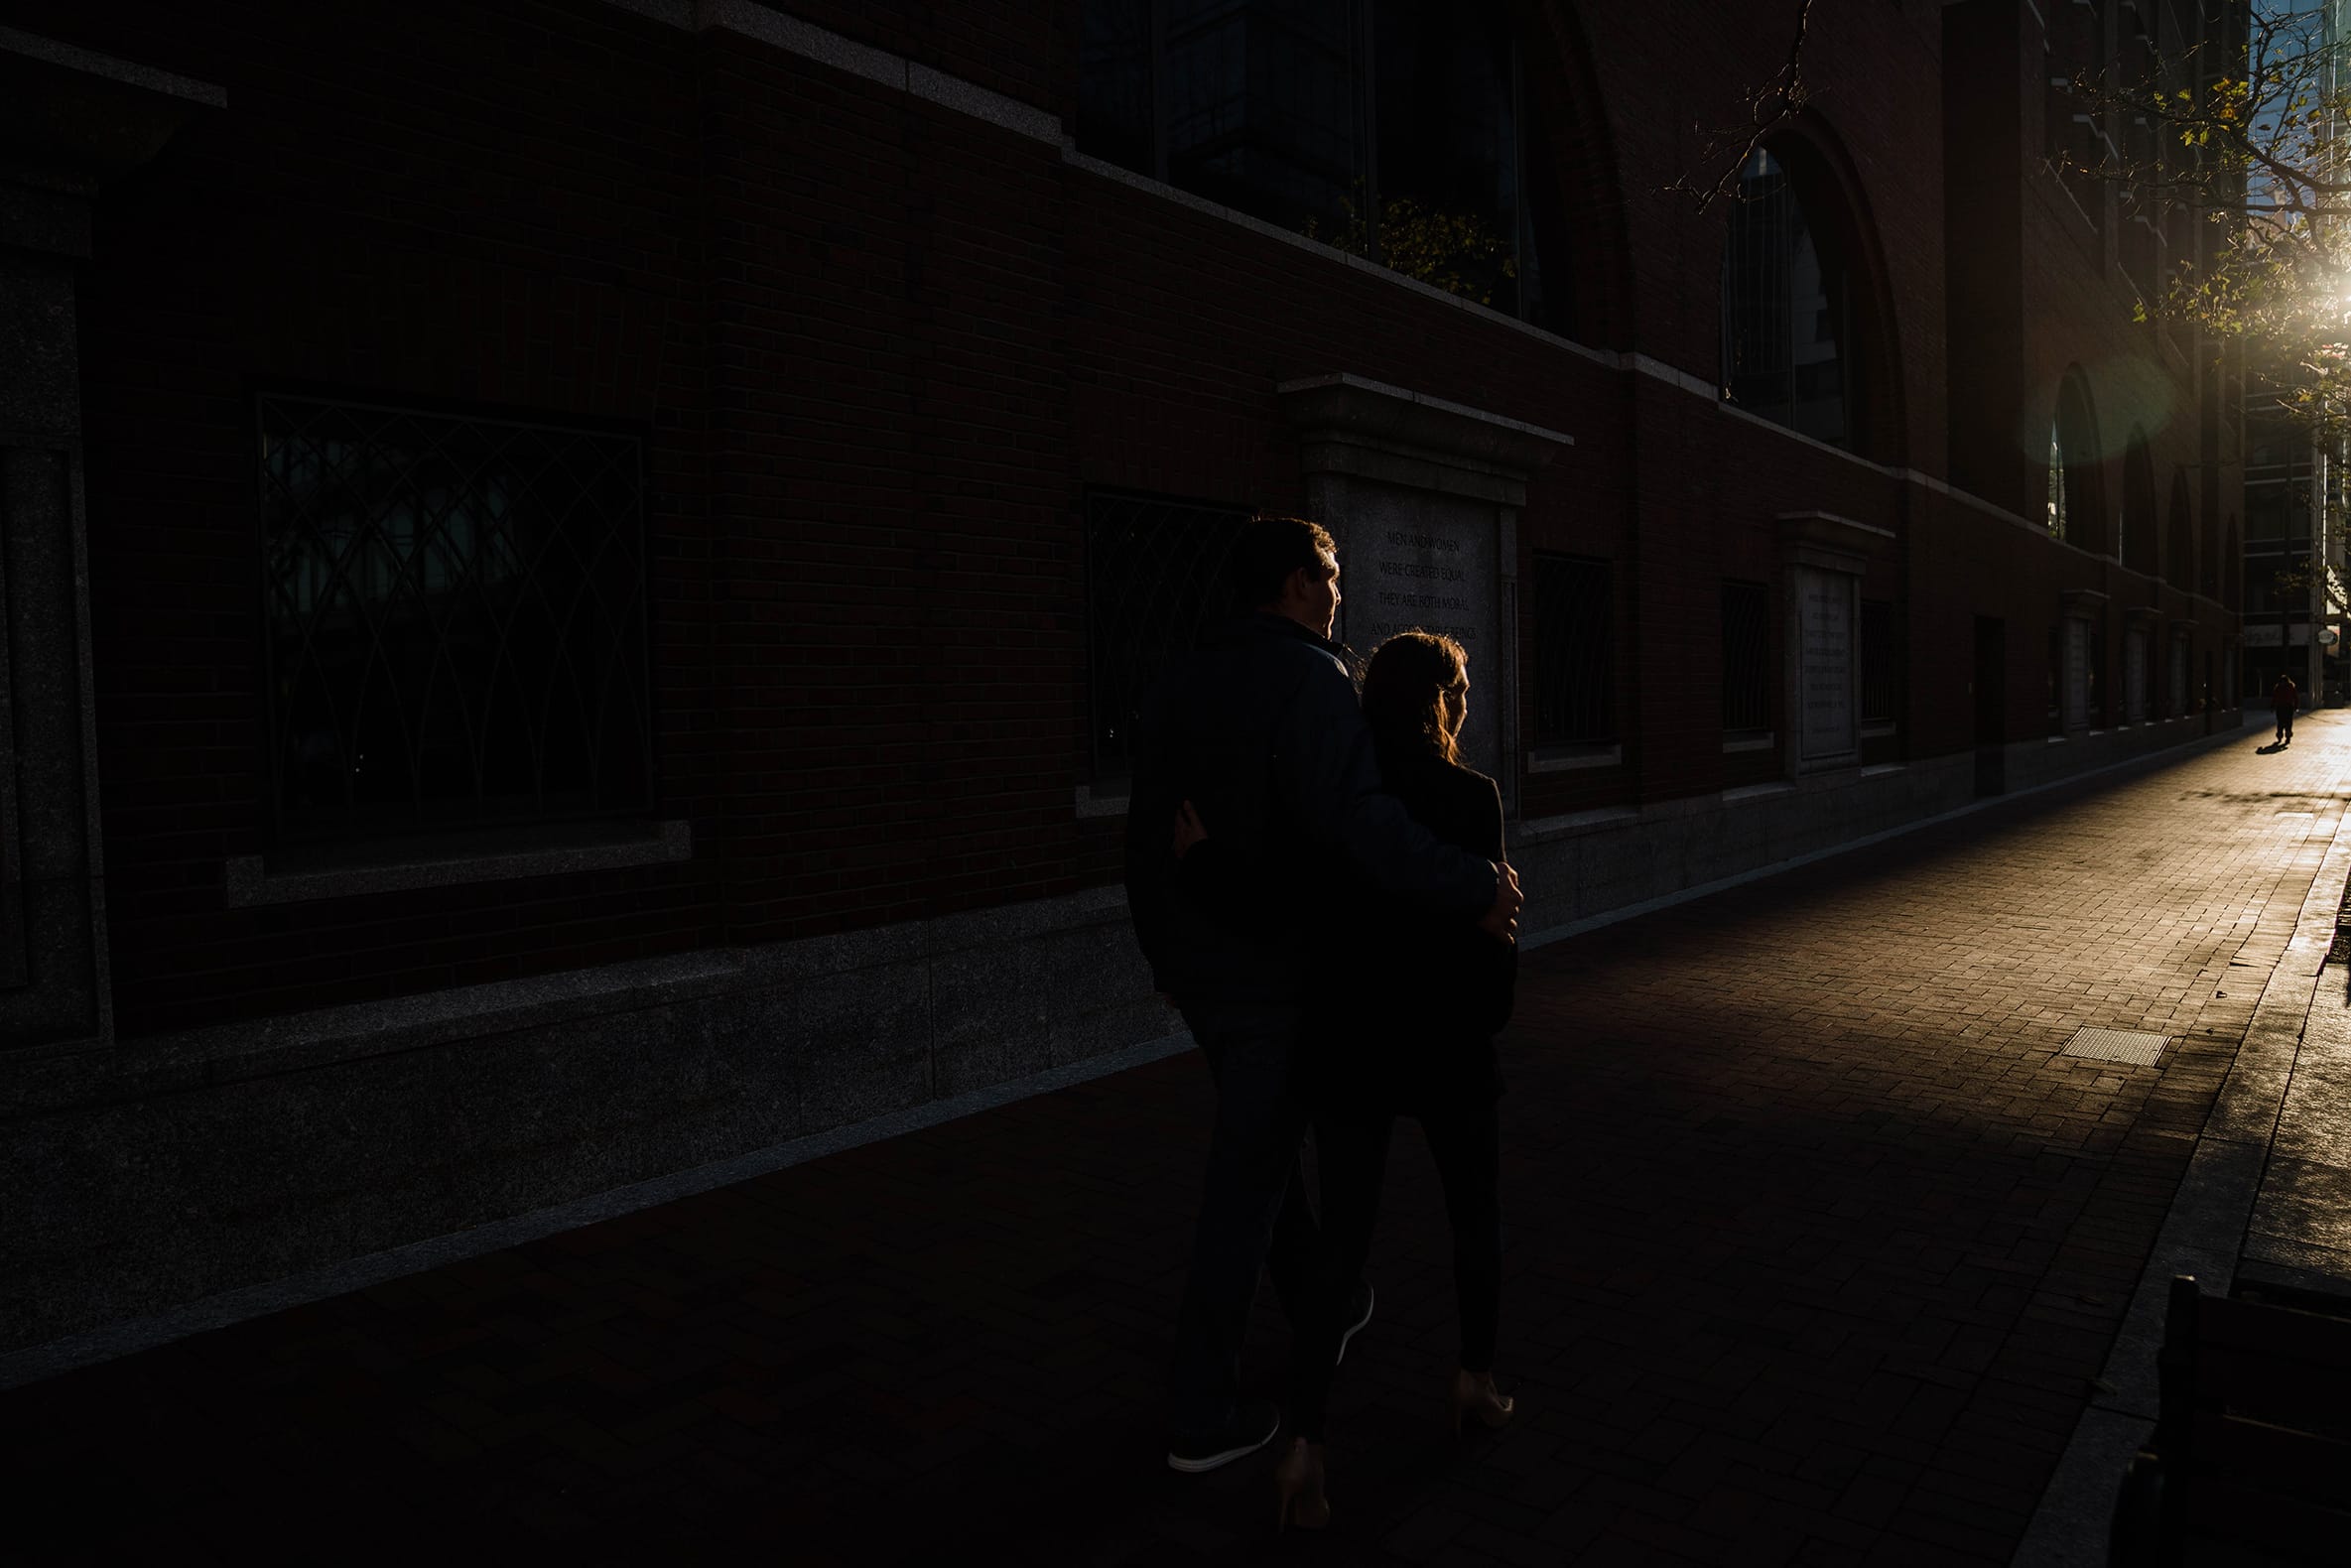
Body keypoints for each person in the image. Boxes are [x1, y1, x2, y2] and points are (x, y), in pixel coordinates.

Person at [1122, 518, 1522, 1510]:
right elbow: (1361, 827)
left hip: (1204, 974)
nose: (1341, 591)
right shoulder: (1310, 682)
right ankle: (1200, 1412)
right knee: (1248, 1182)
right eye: (1333, 575)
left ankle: (1325, 1302)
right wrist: (1474, 879)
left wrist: (1167, 958)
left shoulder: (1181, 676)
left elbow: (1145, 836)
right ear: (1298, 583)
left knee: (1273, 1164)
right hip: (1270, 977)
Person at [2274, 672, 2298, 744]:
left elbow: (2275, 697)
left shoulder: (2278, 687)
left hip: (2280, 707)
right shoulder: (2291, 687)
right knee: (2288, 722)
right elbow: (2295, 697)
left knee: (2280, 722)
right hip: (2288, 707)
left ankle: (2280, 735)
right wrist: (2296, 706)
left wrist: (2272, 706)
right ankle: (2287, 736)